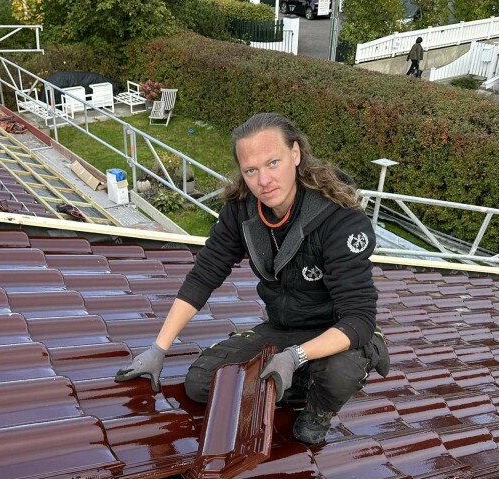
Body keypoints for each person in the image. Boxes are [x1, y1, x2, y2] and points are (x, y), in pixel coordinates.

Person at [115, 113, 389, 445]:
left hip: (336, 332)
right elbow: (205, 274)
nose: (264, 181)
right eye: (251, 170)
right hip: (283, 327)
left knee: (339, 372)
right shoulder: (242, 210)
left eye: (273, 163)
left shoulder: (339, 220)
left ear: (296, 154)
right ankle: (295, 379)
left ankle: (320, 404)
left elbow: (358, 318)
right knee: (201, 384)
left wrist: (295, 357)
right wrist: (159, 347)